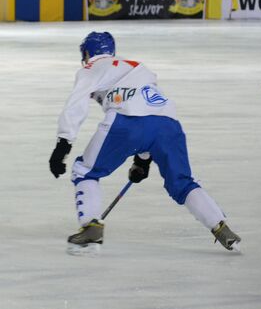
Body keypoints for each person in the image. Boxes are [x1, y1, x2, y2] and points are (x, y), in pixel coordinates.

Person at [48, 31, 241, 255]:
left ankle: (91, 227)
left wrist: (64, 143)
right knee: (183, 182)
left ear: (87, 52)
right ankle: (221, 227)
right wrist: (142, 160)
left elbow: (76, 104)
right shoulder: (136, 67)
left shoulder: (92, 68)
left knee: (84, 172)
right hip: (169, 124)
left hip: (125, 120)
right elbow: (150, 113)